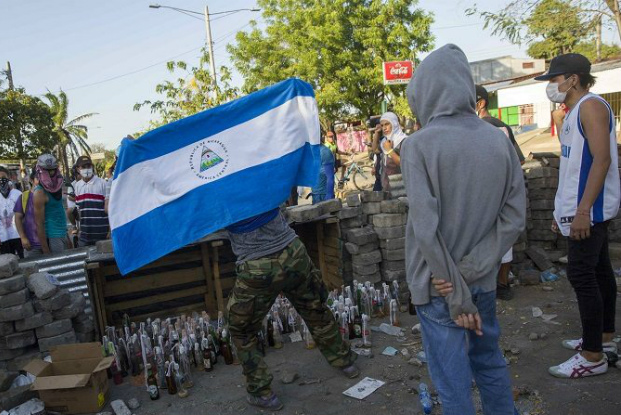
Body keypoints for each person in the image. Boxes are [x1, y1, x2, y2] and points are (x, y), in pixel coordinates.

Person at [401, 44, 526, 415]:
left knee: (452, 380)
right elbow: (513, 217)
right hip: (483, 281)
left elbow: (426, 229)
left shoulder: (417, 146)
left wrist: (454, 288)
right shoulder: (497, 140)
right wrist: (472, 272)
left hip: (439, 287)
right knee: (488, 362)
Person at [534, 53, 619, 378]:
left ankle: (593, 355)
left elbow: (601, 161)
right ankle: (604, 339)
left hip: (591, 211)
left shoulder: (592, 106)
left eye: (554, 79)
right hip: (580, 209)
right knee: (599, 273)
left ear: (572, 78)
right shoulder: (573, 113)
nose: (551, 86)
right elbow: (572, 168)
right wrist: (562, 210)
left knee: (582, 276)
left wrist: (583, 211)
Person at [225, 207, 358, 410]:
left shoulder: (216, 190)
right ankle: (346, 362)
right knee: (315, 309)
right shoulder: (258, 176)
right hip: (293, 251)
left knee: (241, 330)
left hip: (256, 266)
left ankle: (262, 393)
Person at [476, 84, 526, 301]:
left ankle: (489, 284)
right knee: (504, 237)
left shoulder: (478, 128)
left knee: (485, 238)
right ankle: (502, 284)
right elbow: (519, 159)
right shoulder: (502, 126)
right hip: (505, 190)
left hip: (485, 193)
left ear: (480, 103)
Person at [33, 154, 68, 254]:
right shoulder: (39, 193)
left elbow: (60, 212)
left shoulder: (57, 187)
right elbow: (39, 224)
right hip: (53, 238)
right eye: (46, 171)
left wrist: (67, 236)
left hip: (63, 233)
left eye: (52, 170)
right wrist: (46, 250)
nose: (49, 174)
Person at [72, 155, 109, 246]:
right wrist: (79, 229)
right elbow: (80, 211)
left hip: (103, 235)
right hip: (85, 236)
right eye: (83, 167)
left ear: (92, 167)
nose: (86, 169)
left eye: (89, 166)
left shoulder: (103, 183)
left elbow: (110, 209)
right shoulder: (77, 186)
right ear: (78, 169)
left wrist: (110, 231)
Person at [373, 112, 407, 192]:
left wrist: (389, 150)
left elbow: (404, 163)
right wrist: (376, 133)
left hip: (400, 186)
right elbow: (375, 150)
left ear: (394, 123)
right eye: (382, 125)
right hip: (386, 185)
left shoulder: (404, 141)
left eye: (387, 124)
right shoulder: (385, 141)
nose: (384, 128)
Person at [14, 170, 42, 258]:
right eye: (38, 178)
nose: (41, 180)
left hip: (51, 241)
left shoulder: (48, 195)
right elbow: (17, 218)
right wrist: (23, 237)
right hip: (32, 244)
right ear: (31, 180)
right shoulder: (24, 197)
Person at [0, 166, 24, 258]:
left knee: (23, 261)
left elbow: (24, 215)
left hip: (18, 236)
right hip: (3, 238)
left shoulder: (17, 194)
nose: (1, 181)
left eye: (3, 178)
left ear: (9, 178)